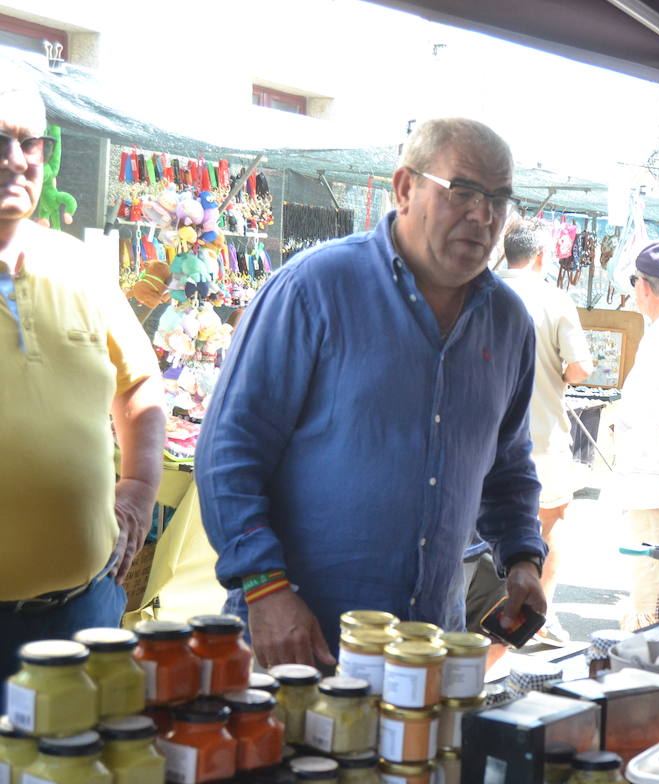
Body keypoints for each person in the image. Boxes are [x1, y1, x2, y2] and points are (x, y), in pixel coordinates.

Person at [198, 118, 546, 669]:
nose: (483, 216)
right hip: (299, 642)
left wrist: (523, 558)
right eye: (462, 192)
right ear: (405, 188)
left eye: (499, 199)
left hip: (426, 653)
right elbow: (229, 452)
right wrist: (265, 588)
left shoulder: (508, 324)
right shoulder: (313, 288)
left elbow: (507, 466)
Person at [0, 64, 164, 679]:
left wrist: (139, 490)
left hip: (82, 614)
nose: (17, 160)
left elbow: (140, 384)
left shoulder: (80, 267)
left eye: (31, 142)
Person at [495, 218, 593, 607]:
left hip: (484, 436)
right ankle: (537, 618)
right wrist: (557, 376)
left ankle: (488, 615)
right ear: (540, 256)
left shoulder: (481, 292)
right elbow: (581, 367)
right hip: (542, 435)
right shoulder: (555, 299)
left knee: (484, 529)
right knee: (547, 522)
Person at [609, 238, 659, 631]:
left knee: (648, 585)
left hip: (654, 475)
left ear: (646, 287)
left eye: (635, 281)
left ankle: (643, 644)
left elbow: (654, 411)